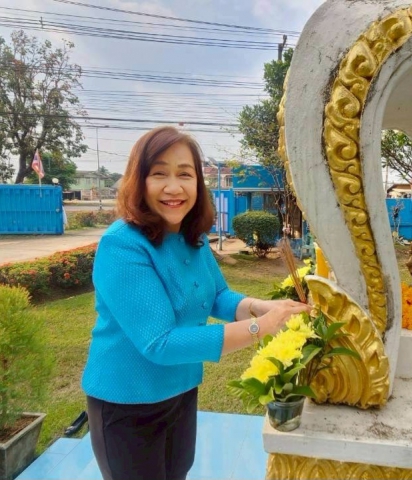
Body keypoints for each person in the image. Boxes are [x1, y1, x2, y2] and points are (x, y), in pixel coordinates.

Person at [81, 126, 309, 480]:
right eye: (159, 174)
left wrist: (262, 306)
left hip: (181, 390)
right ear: (139, 180)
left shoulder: (193, 237)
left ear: (198, 184)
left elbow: (217, 296)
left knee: (178, 472)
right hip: (127, 403)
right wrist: (259, 328)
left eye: (185, 174)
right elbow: (160, 343)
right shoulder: (122, 245)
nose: (174, 187)